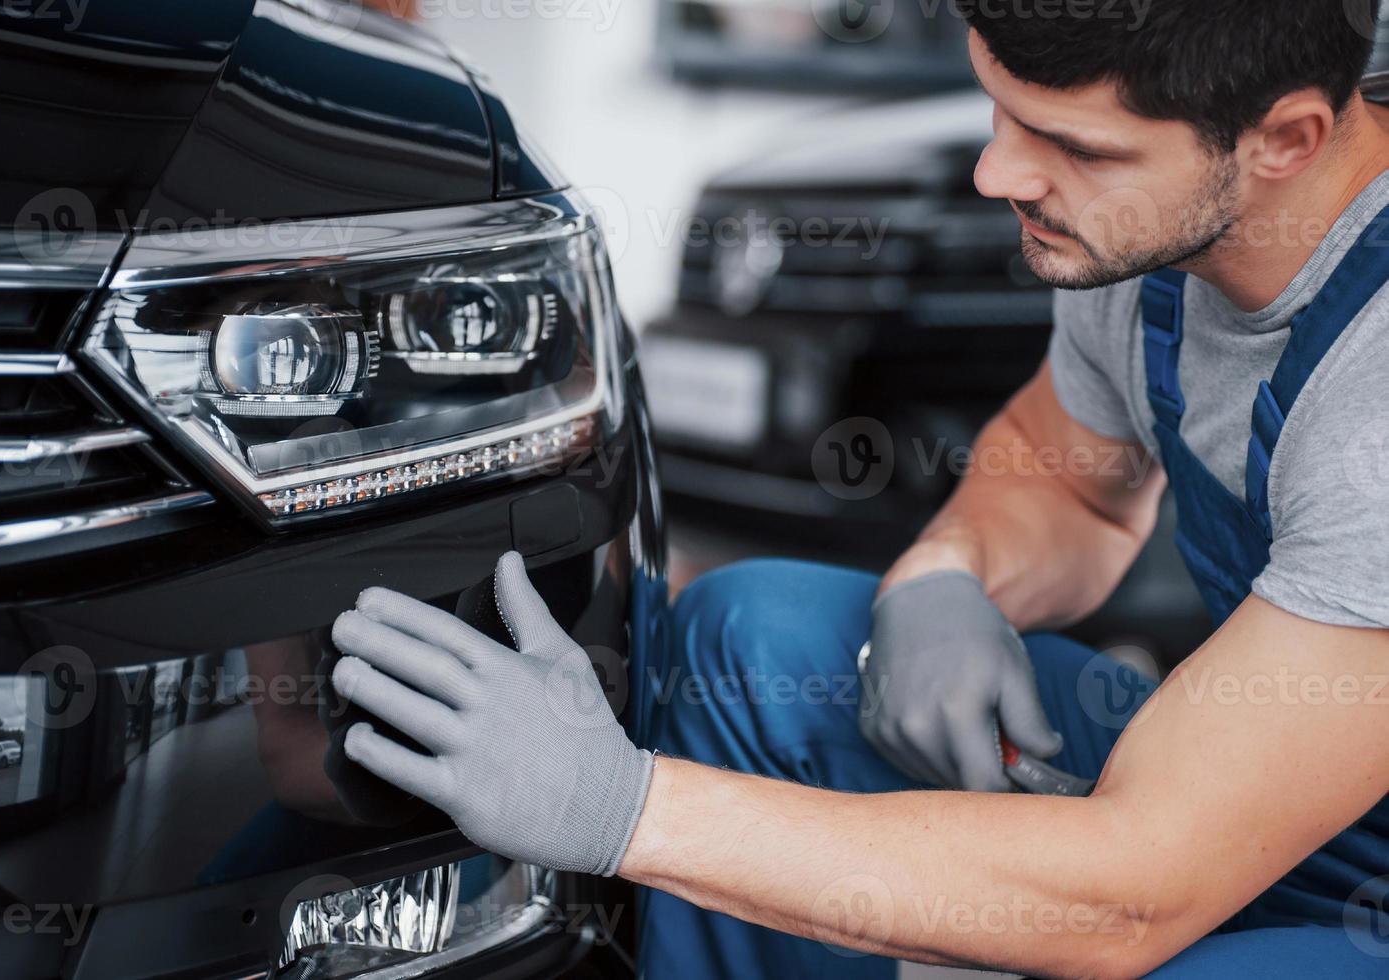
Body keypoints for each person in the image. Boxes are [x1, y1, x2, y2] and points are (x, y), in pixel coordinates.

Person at [323, 2, 1389, 975]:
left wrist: (619, 809)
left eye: (1072, 147)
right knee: (755, 638)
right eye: (1002, 111)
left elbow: (1128, 898)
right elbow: (1072, 482)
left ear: (1283, 141)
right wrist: (941, 576)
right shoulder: (1170, 242)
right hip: (1261, 791)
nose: (997, 173)